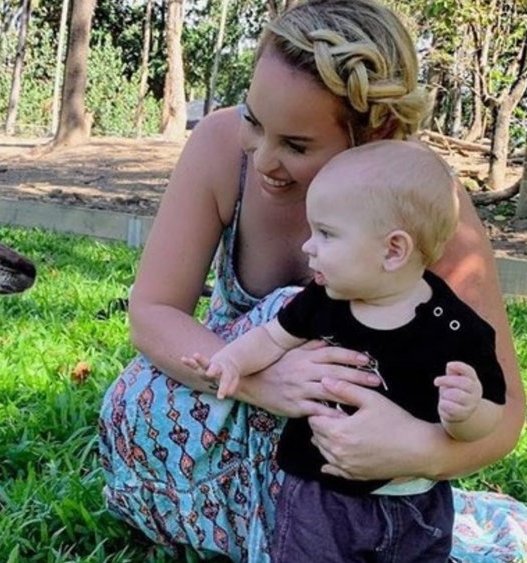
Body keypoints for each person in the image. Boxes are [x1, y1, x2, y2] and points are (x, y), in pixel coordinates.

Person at [97, 0, 527, 560]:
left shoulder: (421, 206)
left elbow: (505, 409)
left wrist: (418, 450)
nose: (264, 160)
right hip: (235, 402)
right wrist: (262, 382)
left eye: (297, 146)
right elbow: (153, 311)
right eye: (255, 120)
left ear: (375, 131)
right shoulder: (220, 147)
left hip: (352, 454)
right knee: (134, 398)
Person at [180, 140, 506, 561]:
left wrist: (467, 413)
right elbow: (272, 337)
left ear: (393, 250)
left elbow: (492, 411)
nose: (307, 246)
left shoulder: (455, 328)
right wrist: (232, 361)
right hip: (320, 495)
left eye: (327, 234)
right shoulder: (324, 299)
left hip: (416, 502)